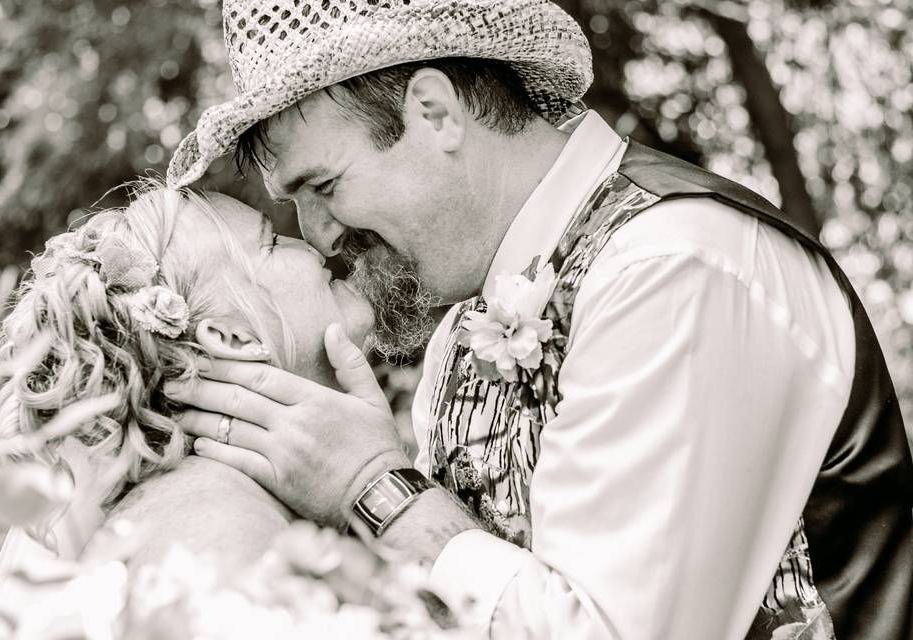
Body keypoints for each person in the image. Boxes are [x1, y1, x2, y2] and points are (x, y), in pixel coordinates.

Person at [163, 0, 913, 638]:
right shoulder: (468, 328)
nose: (319, 235)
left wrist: (372, 484)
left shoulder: (672, 268)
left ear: (435, 112)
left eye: (323, 186)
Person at [0, 185, 377, 637]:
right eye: (272, 243)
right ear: (230, 338)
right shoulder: (219, 533)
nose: (311, 245)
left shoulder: (208, 504)